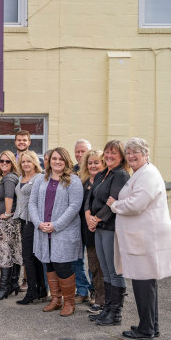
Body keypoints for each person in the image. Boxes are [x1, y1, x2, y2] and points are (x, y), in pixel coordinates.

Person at [107, 138, 171, 340]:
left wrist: (115, 205)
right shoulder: (142, 173)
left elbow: (136, 204)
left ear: (146, 153)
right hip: (142, 238)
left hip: (145, 240)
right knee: (146, 285)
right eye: (128, 152)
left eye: (135, 152)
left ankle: (146, 330)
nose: (130, 156)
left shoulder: (148, 174)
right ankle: (150, 326)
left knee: (143, 284)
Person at [28, 147, 83, 317]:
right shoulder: (40, 179)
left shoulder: (73, 180)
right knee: (49, 264)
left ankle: (69, 302)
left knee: (63, 266)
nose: (57, 162)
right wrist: (38, 223)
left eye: (61, 159)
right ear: (49, 161)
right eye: (54, 159)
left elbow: (74, 207)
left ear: (66, 161)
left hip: (63, 231)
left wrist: (56, 225)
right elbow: (32, 203)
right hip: (44, 230)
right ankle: (55, 299)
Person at [85, 140, 130, 326]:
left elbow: (114, 202)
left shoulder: (120, 175)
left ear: (122, 156)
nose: (109, 156)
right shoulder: (103, 173)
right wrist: (88, 215)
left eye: (114, 153)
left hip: (111, 228)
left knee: (114, 271)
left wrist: (97, 219)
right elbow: (90, 197)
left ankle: (115, 313)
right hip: (99, 228)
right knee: (105, 271)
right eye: (107, 152)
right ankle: (107, 309)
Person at [14, 150, 47, 305]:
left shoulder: (39, 178)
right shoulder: (21, 177)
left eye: (29, 161)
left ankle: (32, 291)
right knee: (32, 256)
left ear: (35, 162)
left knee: (29, 256)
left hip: (33, 222)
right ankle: (40, 290)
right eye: (23, 162)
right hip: (22, 220)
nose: (26, 164)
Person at [78, 150, 105, 315]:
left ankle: (105, 300)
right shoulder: (84, 181)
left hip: (102, 227)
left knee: (104, 267)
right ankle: (98, 297)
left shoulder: (106, 180)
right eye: (90, 162)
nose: (93, 165)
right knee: (94, 265)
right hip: (86, 228)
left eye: (96, 162)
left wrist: (96, 220)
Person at [0, 150, 22, 301]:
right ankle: (13, 283)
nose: (4, 163)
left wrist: (8, 213)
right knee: (12, 253)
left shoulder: (9, 178)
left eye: (7, 161)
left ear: (12, 163)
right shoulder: (8, 177)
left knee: (4, 254)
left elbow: (8, 196)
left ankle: (3, 288)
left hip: (7, 222)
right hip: (10, 222)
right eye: (1, 161)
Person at [72, 139, 92, 304]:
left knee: (93, 259)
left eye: (83, 151)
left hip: (91, 223)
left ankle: (96, 291)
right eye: (77, 151)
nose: (80, 154)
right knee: (76, 259)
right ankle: (82, 290)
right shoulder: (72, 171)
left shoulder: (96, 170)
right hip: (74, 222)